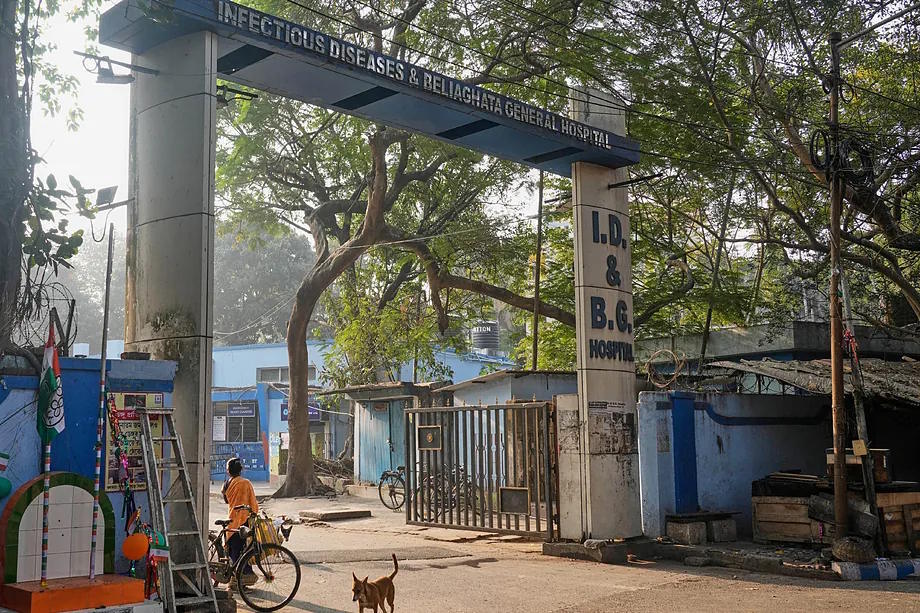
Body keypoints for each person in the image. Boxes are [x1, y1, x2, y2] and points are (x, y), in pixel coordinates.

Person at [222, 457, 258, 586]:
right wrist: (255, 512)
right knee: (242, 551)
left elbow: (226, 500)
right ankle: (238, 580)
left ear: (228, 471)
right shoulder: (246, 483)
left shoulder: (227, 484)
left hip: (231, 519)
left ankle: (237, 579)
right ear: (241, 470)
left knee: (234, 552)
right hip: (244, 521)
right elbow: (253, 503)